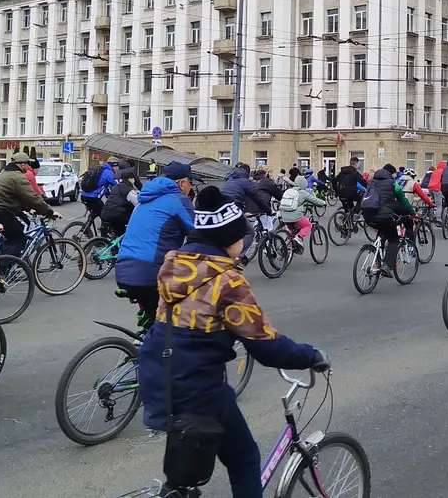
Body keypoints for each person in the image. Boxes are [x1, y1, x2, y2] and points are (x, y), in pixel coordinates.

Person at [137, 186, 327, 498]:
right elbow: (265, 346)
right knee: (244, 460)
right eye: (242, 236)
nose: (244, 244)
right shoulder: (228, 282)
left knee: (186, 470)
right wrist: (311, 355)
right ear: (228, 238)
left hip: (158, 375)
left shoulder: (172, 265)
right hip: (198, 387)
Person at [114, 161, 200, 328]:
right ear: (181, 183)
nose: (191, 187)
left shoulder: (145, 197)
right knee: (184, 308)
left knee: (154, 315)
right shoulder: (179, 200)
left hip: (122, 268)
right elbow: (197, 234)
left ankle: (147, 333)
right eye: (191, 182)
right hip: (149, 273)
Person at [0, 152, 61, 257]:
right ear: (22, 165)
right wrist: (49, 211)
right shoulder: (17, 177)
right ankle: (3, 267)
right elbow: (32, 197)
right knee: (18, 239)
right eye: (28, 163)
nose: (29, 166)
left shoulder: (6, 172)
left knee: (14, 231)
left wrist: (28, 209)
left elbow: (15, 196)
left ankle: (2, 259)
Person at [360, 165, 414, 277]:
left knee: (382, 234)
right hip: (384, 216)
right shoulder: (392, 183)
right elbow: (402, 200)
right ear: (390, 174)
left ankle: (376, 262)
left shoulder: (371, 182)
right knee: (394, 239)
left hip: (368, 215)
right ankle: (387, 266)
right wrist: (411, 211)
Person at [278, 173, 325, 251]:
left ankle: (288, 247)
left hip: (284, 215)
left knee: (291, 229)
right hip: (295, 216)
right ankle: (298, 237)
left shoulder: (289, 190)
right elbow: (315, 200)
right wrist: (323, 203)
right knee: (308, 225)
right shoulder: (303, 193)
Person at [101, 167, 139, 237]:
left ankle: (112, 243)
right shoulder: (129, 190)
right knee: (124, 230)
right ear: (130, 179)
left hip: (105, 212)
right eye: (133, 178)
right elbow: (137, 203)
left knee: (117, 233)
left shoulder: (116, 186)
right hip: (117, 215)